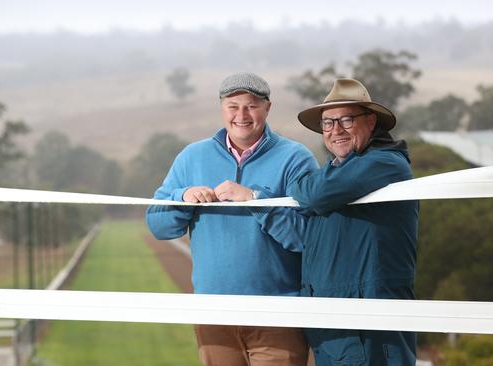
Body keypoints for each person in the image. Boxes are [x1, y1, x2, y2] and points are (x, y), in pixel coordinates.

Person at [146, 72, 318, 366]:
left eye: (251, 105)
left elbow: (309, 238)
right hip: (213, 312)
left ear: (268, 108)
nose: (242, 115)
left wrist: (256, 200)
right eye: (233, 105)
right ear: (222, 108)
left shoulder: (295, 158)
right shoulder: (192, 157)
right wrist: (182, 197)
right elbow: (158, 226)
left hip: (277, 314)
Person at [248, 78, 419, 365]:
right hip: (334, 317)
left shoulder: (384, 162)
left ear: (371, 121)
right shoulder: (342, 168)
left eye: (346, 120)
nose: (335, 130)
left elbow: (312, 192)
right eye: (328, 123)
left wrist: (274, 192)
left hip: (365, 319)